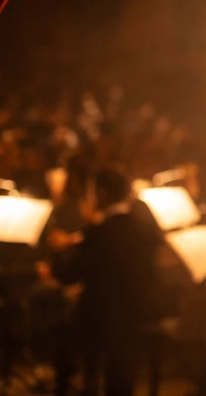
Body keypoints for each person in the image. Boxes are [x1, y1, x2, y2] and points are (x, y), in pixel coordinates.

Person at [51, 167, 159, 396]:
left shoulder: (99, 232)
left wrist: (58, 252)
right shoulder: (145, 228)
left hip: (102, 315)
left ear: (101, 194)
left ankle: (71, 385)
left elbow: (69, 274)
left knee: (58, 324)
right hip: (140, 308)